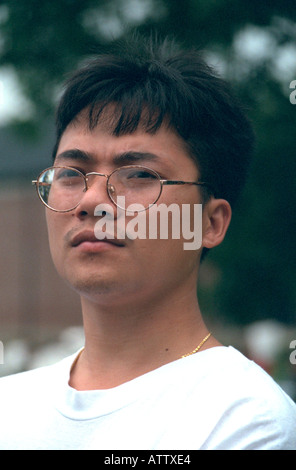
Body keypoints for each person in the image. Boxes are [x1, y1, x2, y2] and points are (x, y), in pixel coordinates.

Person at [1, 34, 295, 451]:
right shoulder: (11, 406)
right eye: (71, 173)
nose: (91, 201)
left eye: (138, 175)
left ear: (210, 222)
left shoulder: (245, 419)